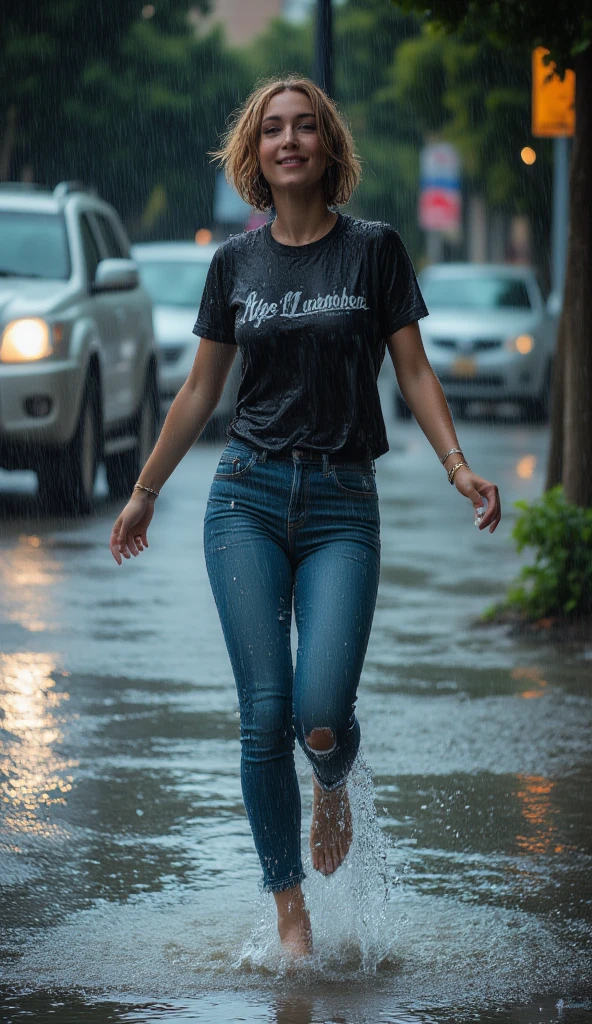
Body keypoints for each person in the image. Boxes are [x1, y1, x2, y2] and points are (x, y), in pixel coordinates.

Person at [109, 76, 501, 958]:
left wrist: (458, 466)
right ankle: (291, 912)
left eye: (306, 127)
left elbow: (413, 372)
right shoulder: (233, 265)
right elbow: (202, 388)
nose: (290, 141)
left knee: (321, 712)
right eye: (274, 130)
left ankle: (331, 777)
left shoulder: (374, 252)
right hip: (244, 495)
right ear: (254, 152)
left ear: (329, 147)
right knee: (264, 713)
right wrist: (146, 489)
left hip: (340, 504)